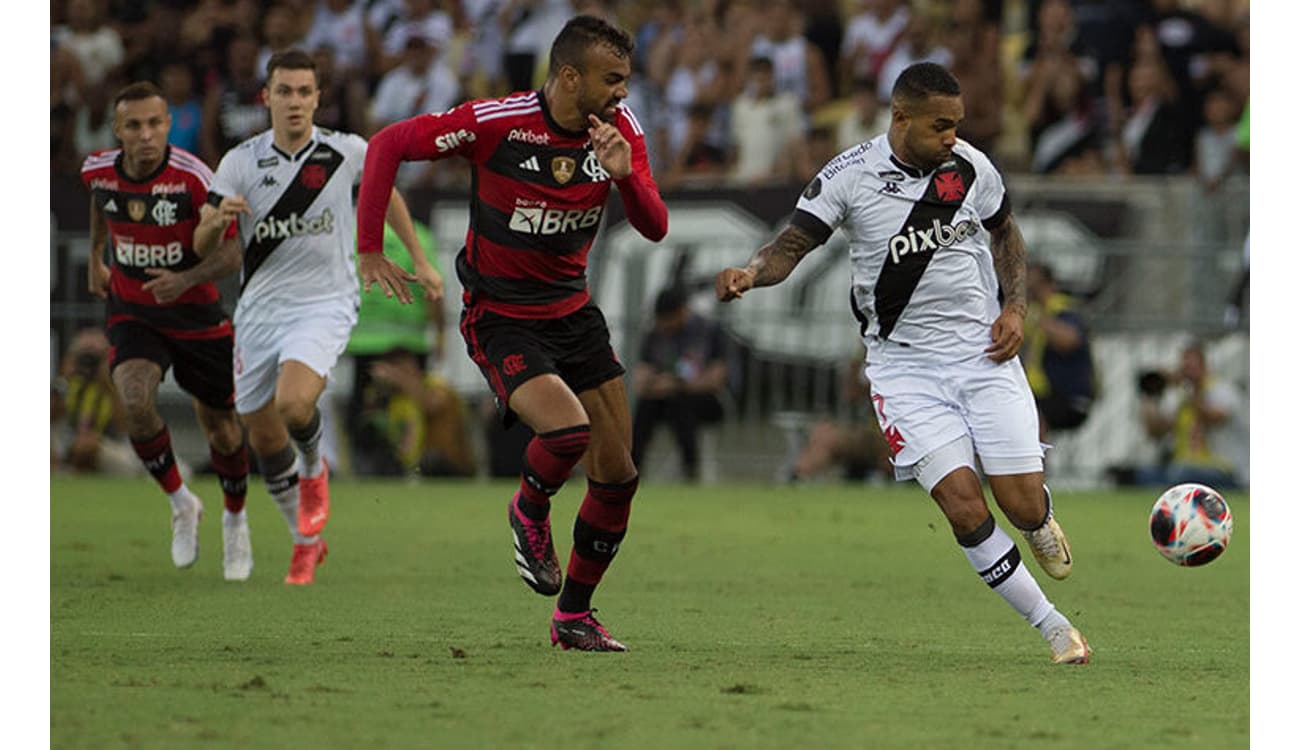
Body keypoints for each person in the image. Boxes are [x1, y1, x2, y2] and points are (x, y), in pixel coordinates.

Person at [714, 62, 1091, 665]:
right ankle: (1054, 628)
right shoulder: (849, 175)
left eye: (957, 125)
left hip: (982, 354)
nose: (952, 137)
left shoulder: (971, 167)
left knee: (1017, 501)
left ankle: (1039, 518)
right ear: (901, 118)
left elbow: (1007, 235)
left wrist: (1015, 307)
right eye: (940, 126)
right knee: (964, 504)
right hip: (903, 369)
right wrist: (751, 275)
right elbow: (792, 245)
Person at [355, 15, 668, 651]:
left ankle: (573, 616)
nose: (622, 95)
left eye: (627, 82)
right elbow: (387, 144)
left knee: (617, 475)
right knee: (569, 429)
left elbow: (655, 226)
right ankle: (528, 508)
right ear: (570, 76)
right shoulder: (497, 122)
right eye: (612, 81)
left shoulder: (621, 133)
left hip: (573, 312)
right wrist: (369, 249)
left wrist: (624, 176)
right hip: (500, 314)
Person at [196, 49, 442, 585]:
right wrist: (217, 220)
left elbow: (389, 195)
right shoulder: (239, 161)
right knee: (261, 437)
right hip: (260, 310)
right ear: (266, 98)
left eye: (304, 92)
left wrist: (419, 260)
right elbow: (199, 238)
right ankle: (306, 541)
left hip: (325, 303)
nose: (295, 102)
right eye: (284, 91)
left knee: (294, 402)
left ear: (317, 98)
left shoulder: (346, 151)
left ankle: (314, 468)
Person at [79, 82, 250, 579]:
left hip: (197, 315)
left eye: (154, 123)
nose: (145, 135)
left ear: (168, 125)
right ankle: (181, 503)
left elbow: (233, 251)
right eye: (134, 125)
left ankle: (235, 521)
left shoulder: (196, 178)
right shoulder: (98, 171)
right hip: (135, 310)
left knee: (221, 427)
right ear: (118, 131)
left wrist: (187, 278)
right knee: (133, 398)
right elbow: (100, 202)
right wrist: (95, 255)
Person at [345, 219, 447, 475]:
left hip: (364, 341)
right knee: (411, 407)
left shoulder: (358, 235)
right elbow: (433, 287)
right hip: (409, 341)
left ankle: (365, 462)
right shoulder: (419, 236)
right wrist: (441, 333)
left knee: (366, 407)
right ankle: (410, 463)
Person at [630, 287, 730, 482]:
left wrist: (676, 384)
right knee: (645, 404)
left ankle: (690, 469)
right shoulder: (655, 335)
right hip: (664, 397)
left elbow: (716, 378)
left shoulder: (709, 331)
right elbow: (641, 376)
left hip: (704, 400)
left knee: (679, 402)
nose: (666, 325)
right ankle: (632, 469)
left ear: (682, 311)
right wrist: (654, 383)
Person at [1136, 340, 1247, 490]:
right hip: (1182, 466)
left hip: (1223, 468)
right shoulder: (1179, 396)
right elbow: (1156, 433)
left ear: (1204, 366)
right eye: (1184, 367)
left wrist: (1188, 388)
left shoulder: (1223, 391)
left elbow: (1213, 418)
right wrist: (1151, 396)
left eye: (1191, 367)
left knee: (1180, 474)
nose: (1187, 373)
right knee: (1143, 475)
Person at [362, 347, 478, 477]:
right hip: (413, 464)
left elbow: (431, 405)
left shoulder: (436, 385)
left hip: (449, 465)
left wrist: (400, 378)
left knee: (430, 460)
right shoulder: (396, 399)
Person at [51, 328, 139, 477]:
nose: (89, 363)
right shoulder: (68, 383)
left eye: (97, 357)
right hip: (69, 443)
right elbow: (53, 418)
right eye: (84, 356)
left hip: (110, 445)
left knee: (88, 446)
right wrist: (63, 379)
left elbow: (125, 428)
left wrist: (109, 386)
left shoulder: (120, 384)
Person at [1023, 262, 1095, 442]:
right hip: (1042, 392)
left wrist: (1038, 319)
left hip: (1068, 395)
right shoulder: (1032, 314)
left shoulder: (1063, 310)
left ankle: (1032, 468)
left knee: (1032, 419)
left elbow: (1070, 340)